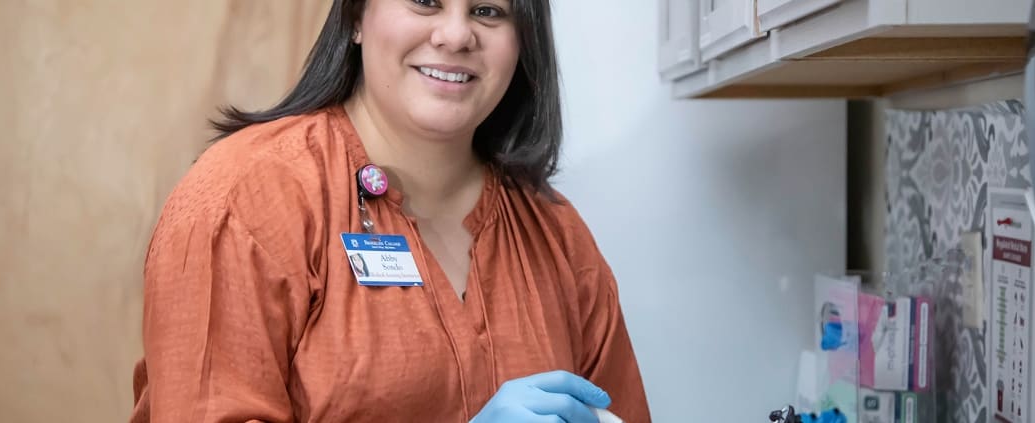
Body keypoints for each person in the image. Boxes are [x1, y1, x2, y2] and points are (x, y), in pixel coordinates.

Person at [129, 0, 650, 422]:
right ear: (356, 16)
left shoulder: (556, 233)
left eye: (488, 10)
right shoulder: (245, 199)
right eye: (425, 1)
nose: (455, 35)